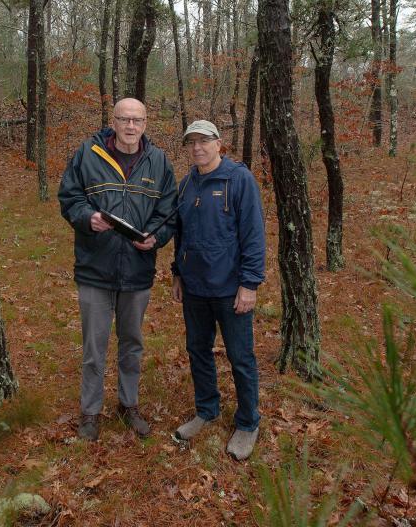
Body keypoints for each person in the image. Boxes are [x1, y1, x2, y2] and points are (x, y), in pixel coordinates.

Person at [58, 98, 177, 442]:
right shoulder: (89, 154)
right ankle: (90, 413)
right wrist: (87, 218)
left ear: (145, 123)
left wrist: (156, 238)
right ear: (113, 121)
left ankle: (128, 405)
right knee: (94, 347)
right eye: (124, 119)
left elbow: (168, 211)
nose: (130, 126)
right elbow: (69, 197)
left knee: (132, 344)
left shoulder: (158, 161)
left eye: (136, 120)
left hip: (137, 270)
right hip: (96, 267)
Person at [170, 120, 265, 461]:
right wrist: (177, 274)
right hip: (194, 289)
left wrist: (249, 284)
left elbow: (253, 235)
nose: (198, 147)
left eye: (204, 141)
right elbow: (181, 235)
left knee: (241, 357)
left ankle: (248, 421)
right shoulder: (185, 186)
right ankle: (206, 409)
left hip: (231, 289)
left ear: (219, 143)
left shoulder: (238, 180)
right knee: (198, 351)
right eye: (192, 142)